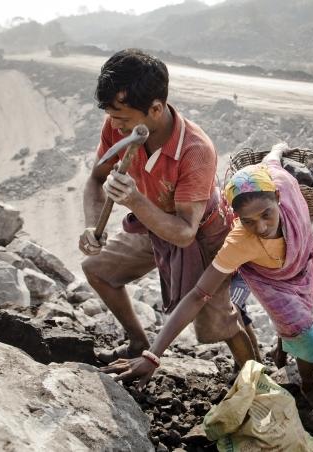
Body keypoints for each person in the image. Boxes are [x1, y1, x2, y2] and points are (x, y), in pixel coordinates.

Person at [101, 142, 313, 415]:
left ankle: (281, 349)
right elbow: (199, 294)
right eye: (248, 221)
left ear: (277, 197)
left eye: (266, 215)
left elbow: (271, 161)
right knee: (306, 332)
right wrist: (153, 355)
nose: (260, 227)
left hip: (302, 263)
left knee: (300, 313)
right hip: (270, 280)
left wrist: (279, 148)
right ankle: (308, 385)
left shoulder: (284, 183)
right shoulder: (239, 242)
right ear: (237, 218)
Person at [79, 49, 255, 369]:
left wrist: (134, 201)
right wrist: (93, 227)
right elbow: (95, 180)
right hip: (151, 225)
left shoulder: (195, 150)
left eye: (123, 119)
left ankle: (255, 382)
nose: (114, 126)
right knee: (98, 270)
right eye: (111, 116)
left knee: (217, 325)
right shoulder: (118, 125)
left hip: (203, 236)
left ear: (156, 109)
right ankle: (137, 343)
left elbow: (186, 233)